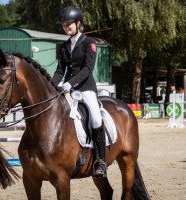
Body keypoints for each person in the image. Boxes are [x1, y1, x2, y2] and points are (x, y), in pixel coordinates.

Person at [52, 6, 107, 178]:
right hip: (69, 88)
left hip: (86, 88)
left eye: (69, 24)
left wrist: (69, 83)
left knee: (96, 118)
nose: (66, 27)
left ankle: (100, 161)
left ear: (78, 23)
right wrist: (51, 86)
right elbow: (60, 70)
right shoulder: (64, 46)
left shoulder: (89, 42)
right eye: (64, 25)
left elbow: (87, 69)